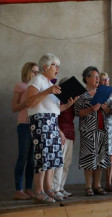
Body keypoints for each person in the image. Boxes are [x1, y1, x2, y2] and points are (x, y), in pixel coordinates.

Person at [26, 54, 76, 203]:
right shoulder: (37, 80)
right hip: (40, 121)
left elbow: (53, 109)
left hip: (52, 122)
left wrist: (67, 105)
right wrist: (47, 91)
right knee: (43, 157)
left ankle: (49, 190)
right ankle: (39, 192)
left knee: (53, 159)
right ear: (46, 67)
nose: (57, 69)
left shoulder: (50, 84)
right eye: (55, 65)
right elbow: (29, 102)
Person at [74, 66, 110, 196]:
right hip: (88, 130)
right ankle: (88, 186)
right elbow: (77, 112)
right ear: (86, 78)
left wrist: (106, 108)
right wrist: (91, 109)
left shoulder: (103, 92)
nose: (97, 79)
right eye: (94, 76)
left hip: (102, 129)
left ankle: (97, 185)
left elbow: (109, 112)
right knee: (89, 158)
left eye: (98, 77)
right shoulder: (81, 95)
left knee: (100, 158)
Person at [12, 62, 38, 200]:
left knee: (32, 160)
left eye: (37, 71)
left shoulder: (38, 87)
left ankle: (28, 188)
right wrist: (26, 102)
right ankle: (19, 189)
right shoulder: (20, 86)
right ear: (27, 72)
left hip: (36, 125)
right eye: (33, 71)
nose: (36, 74)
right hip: (24, 125)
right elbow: (14, 107)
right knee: (23, 157)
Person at [52, 77, 75, 198]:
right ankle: (54, 189)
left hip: (71, 133)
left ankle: (61, 187)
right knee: (59, 163)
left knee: (67, 163)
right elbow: (53, 117)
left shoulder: (71, 100)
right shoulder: (57, 98)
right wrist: (59, 131)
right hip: (60, 133)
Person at [99, 72, 112, 192]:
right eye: (103, 80)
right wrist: (107, 109)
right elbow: (105, 111)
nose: (106, 82)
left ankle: (109, 183)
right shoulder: (98, 94)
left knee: (111, 156)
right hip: (102, 126)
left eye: (107, 80)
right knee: (101, 155)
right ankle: (98, 184)